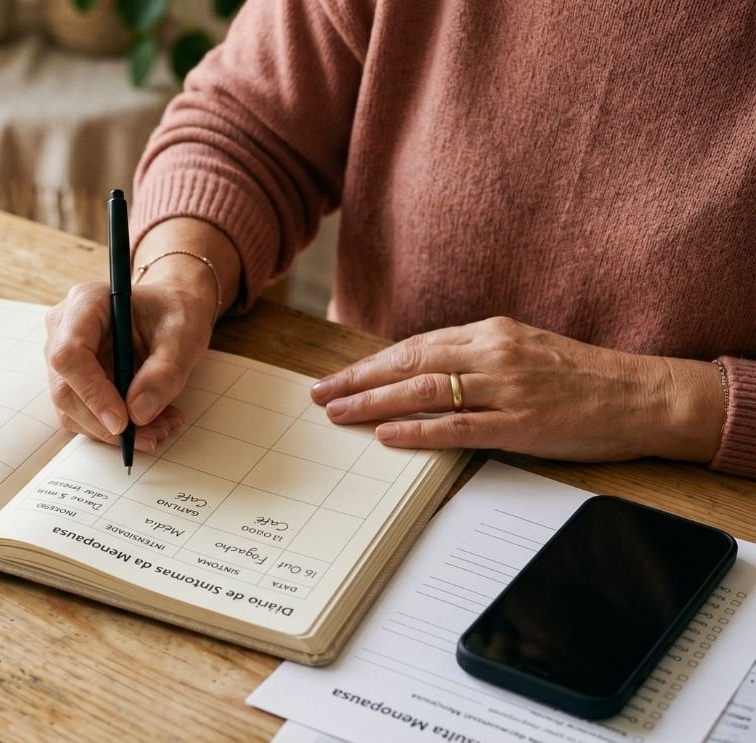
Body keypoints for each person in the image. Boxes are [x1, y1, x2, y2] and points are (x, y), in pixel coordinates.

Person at [43, 0, 756, 478]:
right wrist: (177, 277)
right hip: (366, 457)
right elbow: (246, 129)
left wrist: (658, 400)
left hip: (689, 502)